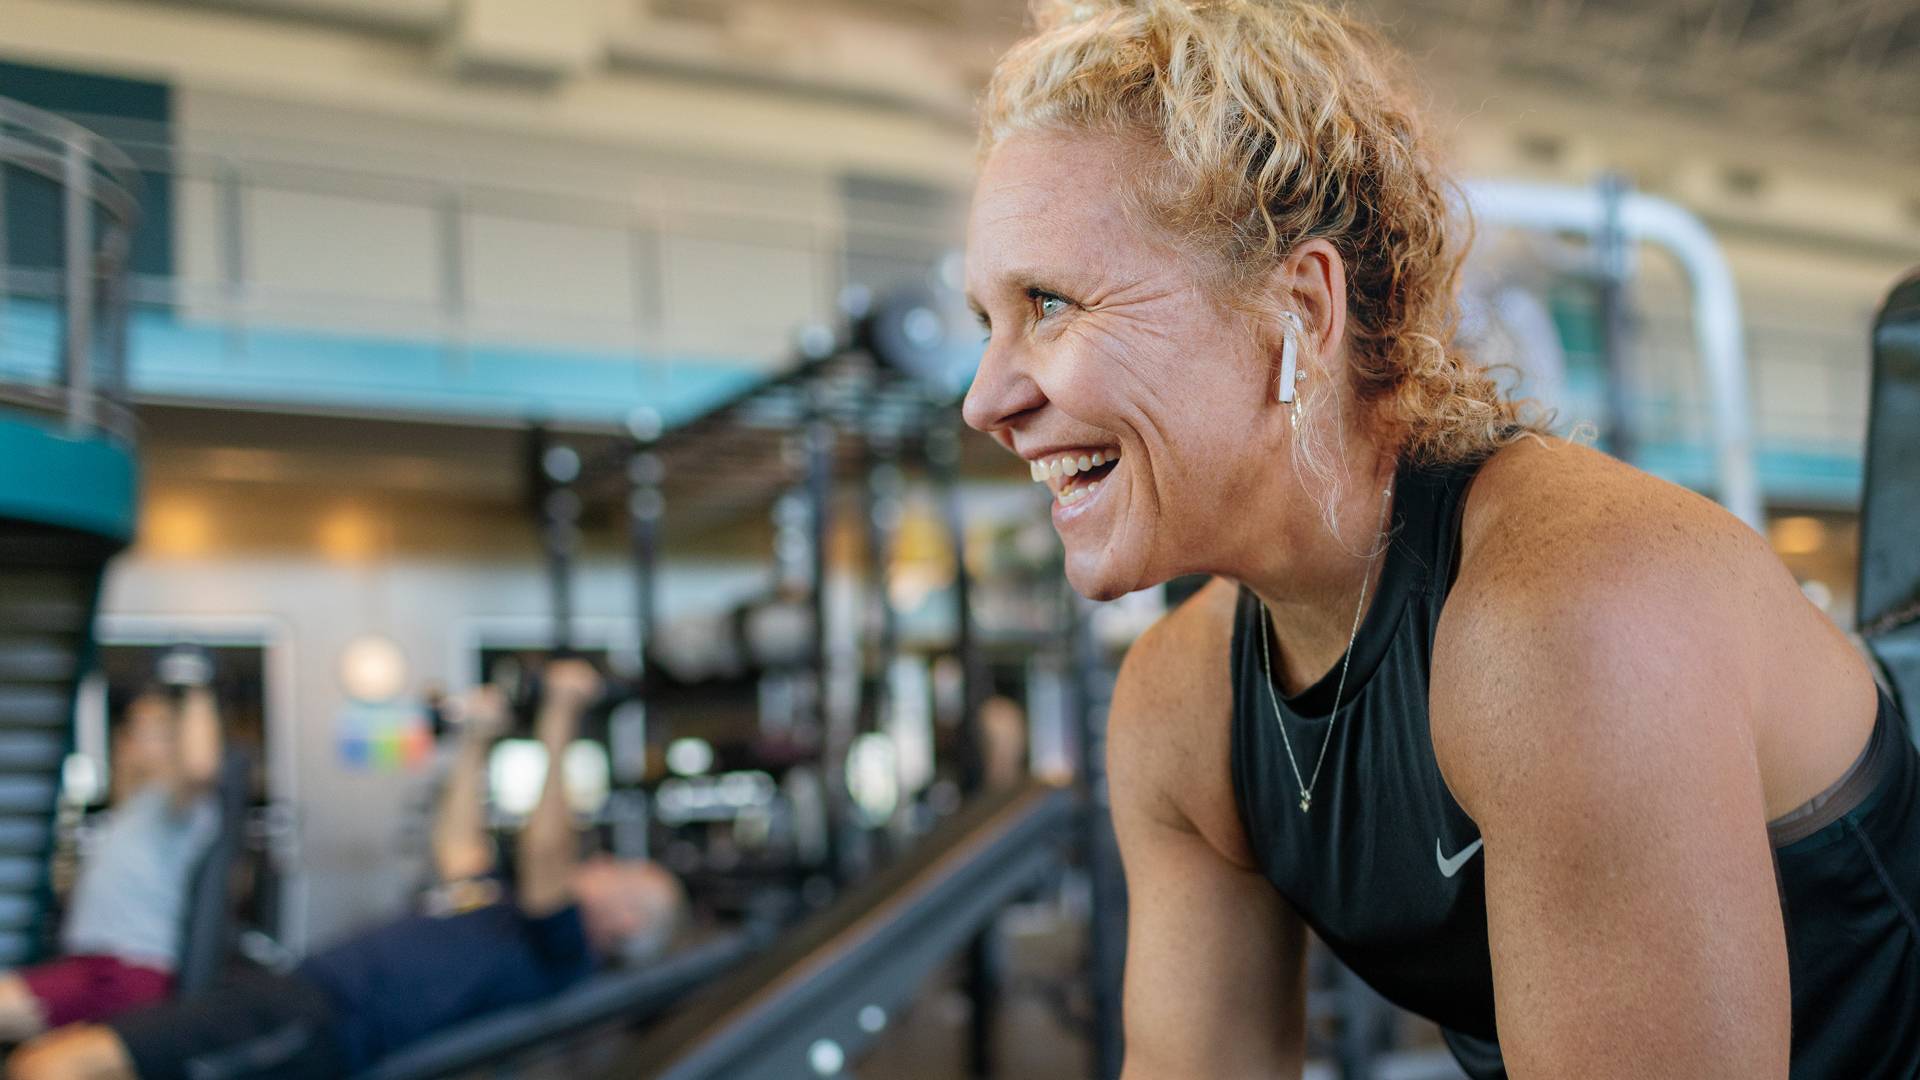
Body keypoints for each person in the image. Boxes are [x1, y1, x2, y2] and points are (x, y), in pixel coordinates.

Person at [959, 2, 1916, 1077]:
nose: (984, 400)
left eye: (1051, 304)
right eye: (987, 322)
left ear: (1301, 309)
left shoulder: (1566, 614)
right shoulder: (1183, 706)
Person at [7, 659, 682, 1080]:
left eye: (621, 872)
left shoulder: (565, 949)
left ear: (625, 922)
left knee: (56, 1067)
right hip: (298, 1001)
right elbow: (458, 850)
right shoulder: (505, 918)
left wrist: (561, 714)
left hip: (319, 1025)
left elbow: (546, 849)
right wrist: (476, 740)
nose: (602, 861)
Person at [0, 675, 223, 1042]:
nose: (137, 735)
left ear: (176, 741)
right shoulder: (132, 809)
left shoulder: (178, 808)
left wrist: (195, 684)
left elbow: (200, 766)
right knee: (29, 1062)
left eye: (155, 728)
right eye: (135, 726)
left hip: (127, 972)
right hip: (90, 966)